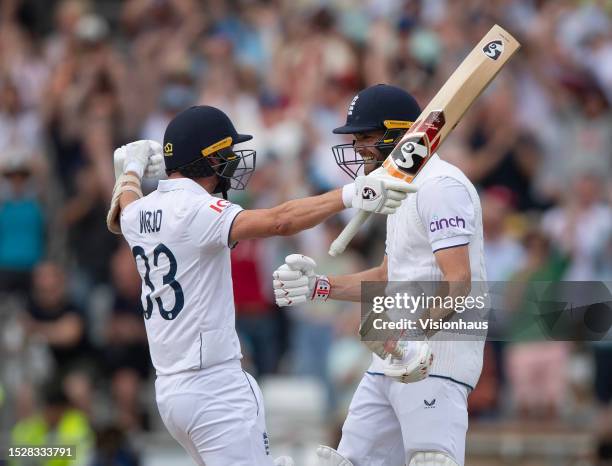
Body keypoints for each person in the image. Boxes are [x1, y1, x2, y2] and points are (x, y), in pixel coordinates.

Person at [105, 104, 415, 466]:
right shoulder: (195, 210)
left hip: (170, 392)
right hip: (214, 389)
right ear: (208, 160)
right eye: (227, 155)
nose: (234, 164)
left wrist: (130, 169)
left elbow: (126, 202)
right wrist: (350, 194)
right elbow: (280, 221)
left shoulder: (138, 214)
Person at [273, 84, 487, 466]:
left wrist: (416, 335)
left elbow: (458, 280)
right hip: (392, 353)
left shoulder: (442, 186)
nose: (358, 148)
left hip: (436, 359)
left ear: (400, 133)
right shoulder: (396, 189)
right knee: (346, 462)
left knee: (430, 461)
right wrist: (319, 286)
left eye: (366, 137)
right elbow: (389, 276)